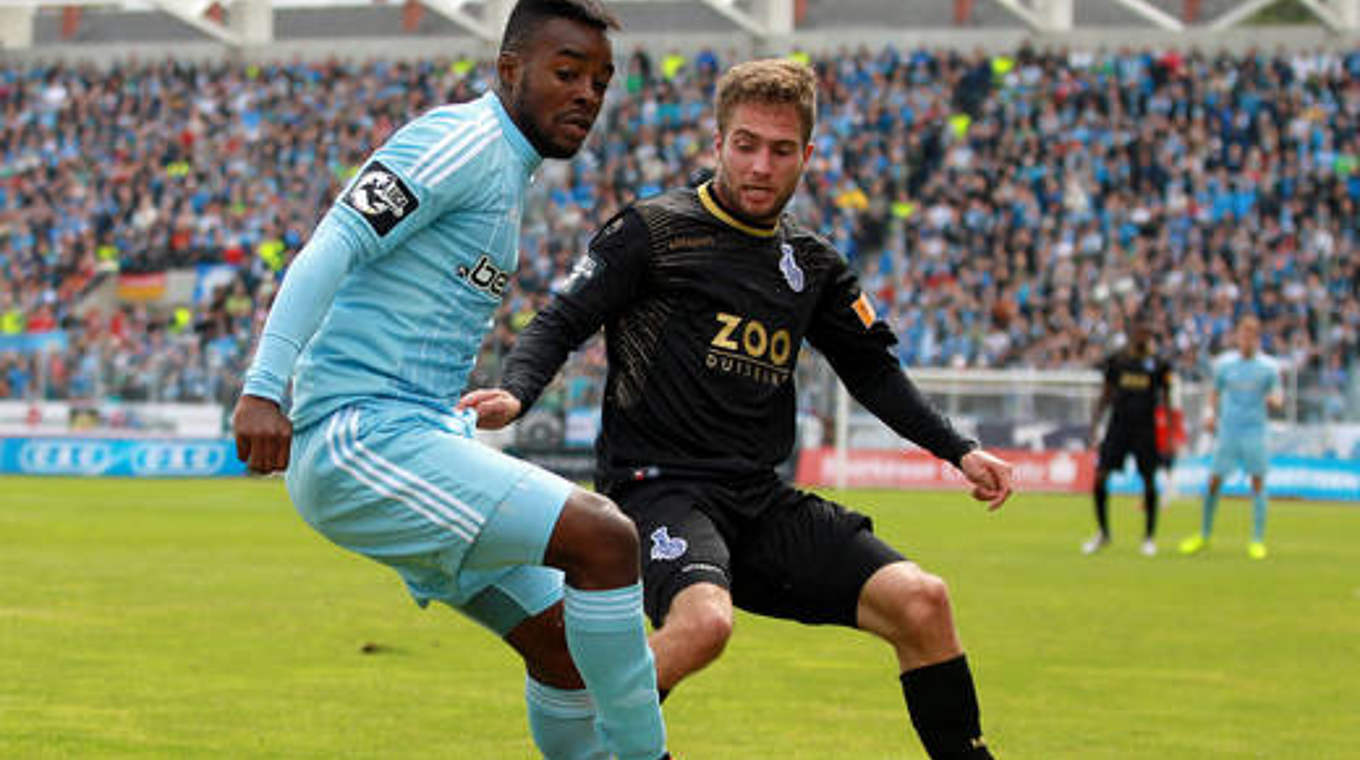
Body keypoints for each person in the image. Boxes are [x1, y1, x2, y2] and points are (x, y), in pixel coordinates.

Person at [460, 58, 1013, 760]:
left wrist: (960, 449)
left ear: (806, 157)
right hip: (659, 491)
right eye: (745, 144)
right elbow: (563, 318)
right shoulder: (653, 231)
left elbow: (873, 372)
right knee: (704, 626)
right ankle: (592, 746)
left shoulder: (812, 266)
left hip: (758, 500)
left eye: (781, 151)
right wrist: (518, 389)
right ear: (717, 143)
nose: (760, 165)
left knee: (923, 601)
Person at [230, 3, 670, 757]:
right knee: (605, 540)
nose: (587, 96)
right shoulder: (460, 140)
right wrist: (265, 385)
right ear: (509, 69)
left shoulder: (508, 170)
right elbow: (331, 243)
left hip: (417, 433)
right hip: (358, 436)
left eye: (600, 82)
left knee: (564, 652)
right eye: (567, 73)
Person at [1179, 315, 1283, 560]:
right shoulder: (1225, 364)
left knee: (1257, 481)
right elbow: (1215, 392)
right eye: (1243, 335)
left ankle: (1257, 540)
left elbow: (1278, 393)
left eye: (1252, 336)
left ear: (1258, 339)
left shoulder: (1268, 367)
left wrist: (1275, 400)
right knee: (1214, 480)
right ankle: (1204, 535)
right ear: (1237, 336)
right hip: (1229, 430)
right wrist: (1209, 413)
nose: (1247, 340)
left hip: (1254, 430)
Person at [1083, 318, 1173, 556]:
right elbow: (1106, 394)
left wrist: (1170, 434)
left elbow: (1167, 399)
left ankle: (1149, 538)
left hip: (1146, 428)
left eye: (1148, 333)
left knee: (1148, 480)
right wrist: (1094, 424)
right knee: (1101, 476)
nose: (1144, 337)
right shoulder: (1118, 361)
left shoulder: (1159, 365)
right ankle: (1103, 533)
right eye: (1141, 332)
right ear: (1132, 333)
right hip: (1118, 426)